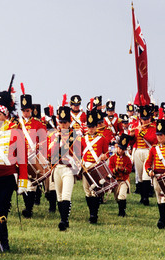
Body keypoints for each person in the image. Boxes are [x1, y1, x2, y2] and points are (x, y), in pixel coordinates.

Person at [0, 91, 28, 253]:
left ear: (6, 115)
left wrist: (23, 182)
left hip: (8, 177)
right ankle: (4, 242)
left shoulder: (16, 133)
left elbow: (22, 159)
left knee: (2, 208)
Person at [48, 98, 82, 231]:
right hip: (57, 168)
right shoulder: (54, 136)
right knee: (59, 196)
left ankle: (64, 220)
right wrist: (57, 140)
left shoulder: (75, 136)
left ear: (69, 122)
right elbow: (50, 153)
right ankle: (63, 219)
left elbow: (78, 155)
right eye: (60, 122)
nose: (62, 125)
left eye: (65, 122)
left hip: (68, 169)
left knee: (67, 195)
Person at [18, 85, 47, 218]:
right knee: (22, 182)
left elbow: (44, 140)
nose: (25, 113)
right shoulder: (17, 124)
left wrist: (38, 146)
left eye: (28, 110)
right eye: (23, 110)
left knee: (32, 183)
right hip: (20, 157)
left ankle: (28, 209)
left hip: (33, 157)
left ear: (32, 110)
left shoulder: (38, 124)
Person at [81, 106, 109, 223]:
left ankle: (94, 214)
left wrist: (104, 156)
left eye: (93, 127)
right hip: (85, 167)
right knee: (87, 191)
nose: (91, 129)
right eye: (89, 127)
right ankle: (91, 212)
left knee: (96, 191)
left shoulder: (102, 139)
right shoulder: (82, 139)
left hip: (95, 166)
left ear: (96, 126)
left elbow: (107, 153)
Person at [131, 105, 157, 205]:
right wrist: (132, 135)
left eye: (147, 119)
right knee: (140, 175)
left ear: (149, 118)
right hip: (138, 151)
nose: (145, 121)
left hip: (148, 151)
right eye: (143, 119)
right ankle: (142, 197)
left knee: (146, 175)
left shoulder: (153, 128)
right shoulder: (136, 127)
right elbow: (132, 142)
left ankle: (146, 198)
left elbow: (153, 140)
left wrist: (142, 133)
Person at [109, 133, 133, 217]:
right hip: (116, 181)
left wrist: (123, 169)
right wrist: (115, 170)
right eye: (119, 148)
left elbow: (129, 170)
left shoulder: (127, 159)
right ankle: (122, 209)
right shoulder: (112, 158)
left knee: (122, 195)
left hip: (124, 180)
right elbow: (110, 169)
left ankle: (122, 212)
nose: (120, 151)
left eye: (122, 149)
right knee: (117, 198)